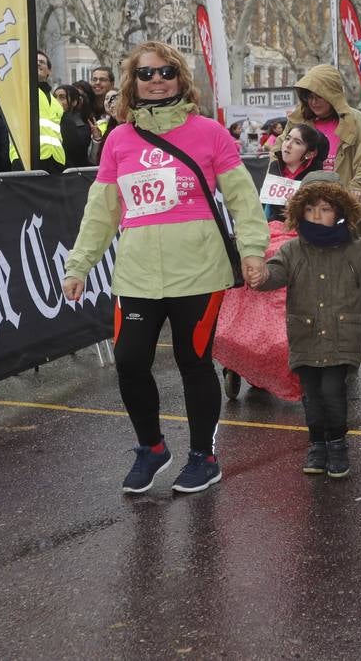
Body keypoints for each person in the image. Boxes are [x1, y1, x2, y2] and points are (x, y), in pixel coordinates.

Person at [61, 41, 270, 495]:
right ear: (131, 83)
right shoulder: (118, 139)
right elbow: (102, 211)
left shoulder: (210, 132)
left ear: (181, 78)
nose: (156, 81)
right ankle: (152, 448)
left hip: (199, 270)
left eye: (166, 72)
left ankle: (202, 456)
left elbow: (241, 198)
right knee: (130, 362)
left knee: (193, 362)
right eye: (146, 74)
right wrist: (79, 265)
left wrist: (253, 249)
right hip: (137, 272)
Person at [249, 172, 361, 478]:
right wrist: (260, 278)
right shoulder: (292, 250)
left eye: (324, 209)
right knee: (311, 393)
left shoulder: (355, 248)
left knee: (332, 391)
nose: (316, 215)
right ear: (300, 212)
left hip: (343, 336)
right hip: (305, 335)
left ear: (339, 211)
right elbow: (274, 275)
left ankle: (337, 444)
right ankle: (317, 445)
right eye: (310, 209)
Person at [212, 122, 330, 402]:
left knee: (284, 260)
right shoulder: (274, 168)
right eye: (287, 139)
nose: (287, 144)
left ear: (309, 154)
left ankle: (280, 348)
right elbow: (264, 212)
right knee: (251, 255)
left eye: (296, 142)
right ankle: (239, 342)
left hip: (301, 236)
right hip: (272, 232)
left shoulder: (317, 178)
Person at [285, 64, 361, 245]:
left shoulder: (356, 120)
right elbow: (279, 155)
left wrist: (358, 187)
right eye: (309, 97)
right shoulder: (299, 122)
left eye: (319, 96)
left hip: (344, 211)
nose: (313, 102)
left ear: (332, 95)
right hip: (307, 211)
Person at [10, 49, 66, 173]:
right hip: (26, 157)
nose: (38, 64)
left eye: (42, 62)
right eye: (34, 62)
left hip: (55, 160)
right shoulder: (21, 91)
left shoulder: (56, 103)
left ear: (49, 71)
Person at [52, 83, 92, 168]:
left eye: (62, 97)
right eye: (54, 97)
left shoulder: (81, 127)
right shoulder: (49, 121)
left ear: (74, 102)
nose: (56, 101)